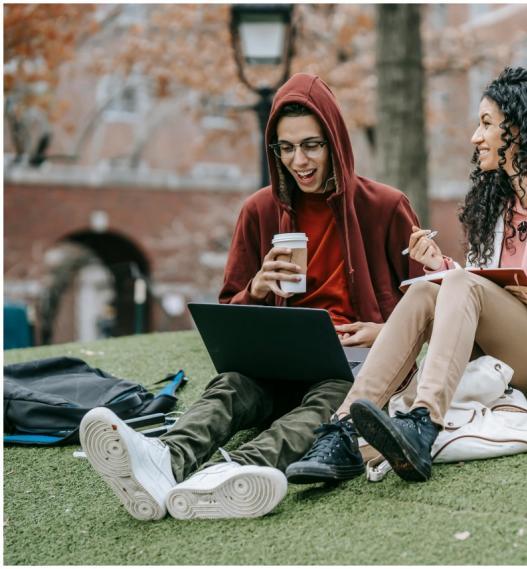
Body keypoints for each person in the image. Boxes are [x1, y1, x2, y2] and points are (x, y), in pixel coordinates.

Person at [79, 73, 422, 520]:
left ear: (335, 141)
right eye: (286, 147)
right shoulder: (259, 210)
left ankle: (232, 473)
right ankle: (164, 459)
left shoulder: (386, 206)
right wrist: (256, 289)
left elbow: (427, 303)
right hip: (276, 363)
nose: (299, 161)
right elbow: (229, 315)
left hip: (352, 366)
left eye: (312, 145)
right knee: (231, 386)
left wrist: (384, 331)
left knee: (328, 400)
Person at [288, 66, 527, 483]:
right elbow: (479, 289)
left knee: (456, 284)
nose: (476, 138)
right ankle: (343, 429)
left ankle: (423, 421)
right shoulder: (495, 208)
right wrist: (441, 270)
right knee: (428, 290)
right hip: (510, 358)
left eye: (486, 125)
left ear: (520, 132)